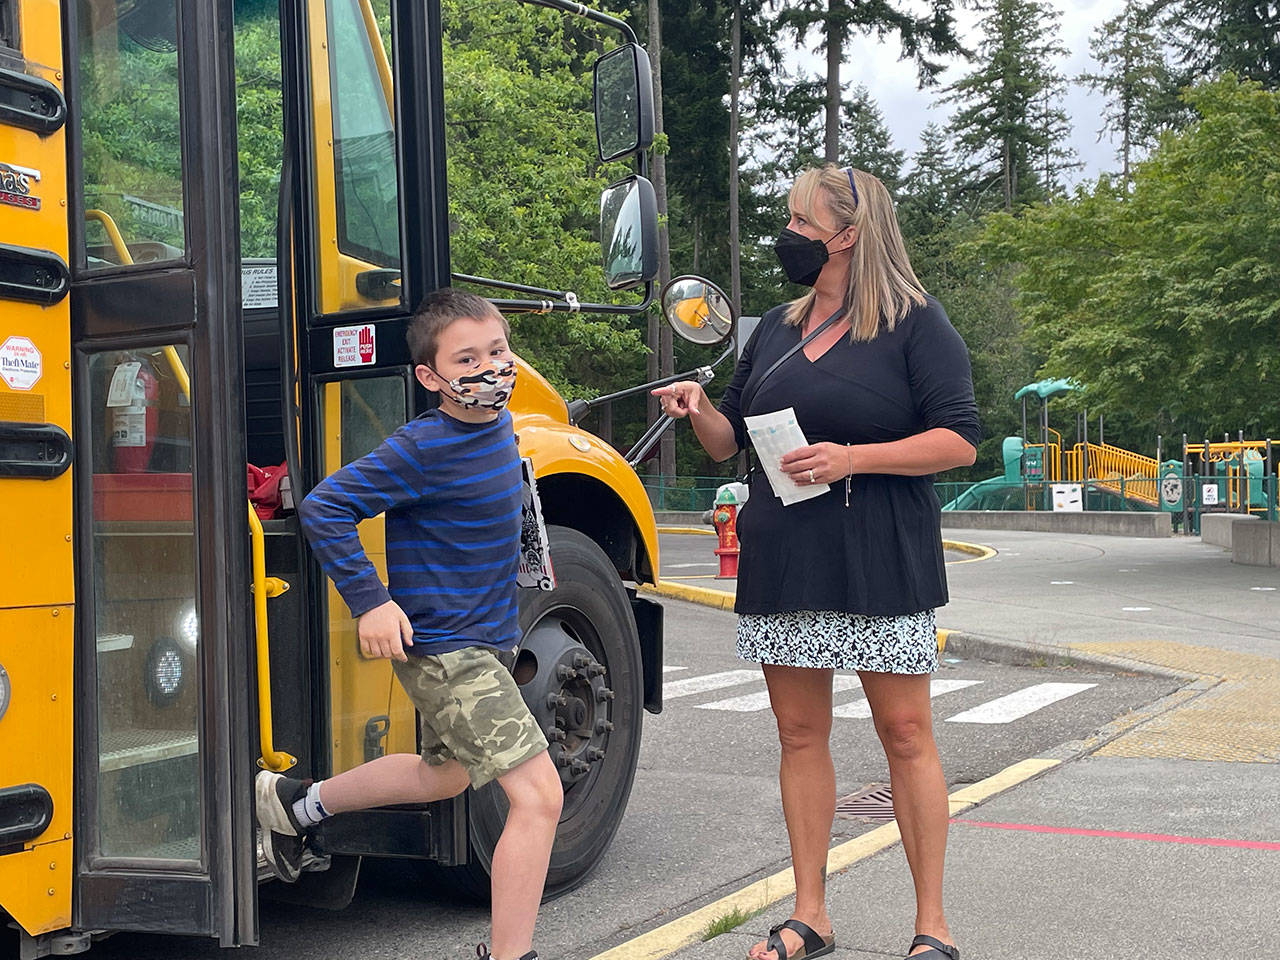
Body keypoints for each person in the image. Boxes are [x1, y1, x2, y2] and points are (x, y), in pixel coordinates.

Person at [653, 164, 979, 960]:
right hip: (785, 551)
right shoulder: (772, 327)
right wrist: (700, 414)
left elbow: (959, 439)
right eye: (790, 218)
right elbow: (733, 440)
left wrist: (854, 458)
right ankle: (811, 914)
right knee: (799, 735)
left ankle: (931, 925)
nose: (789, 234)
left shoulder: (915, 323)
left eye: (804, 221)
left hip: (882, 555)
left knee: (905, 734)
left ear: (851, 233)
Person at [255, 288, 562, 960]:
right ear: (431, 377)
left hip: (485, 643)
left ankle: (295, 806)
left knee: (445, 775)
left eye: (499, 351)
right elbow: (325, 506)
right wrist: (371, 600)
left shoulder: (498, 430)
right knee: (539, 797)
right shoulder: (425, 445)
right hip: (449, 653)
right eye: (469, 358)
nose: (491, 368)